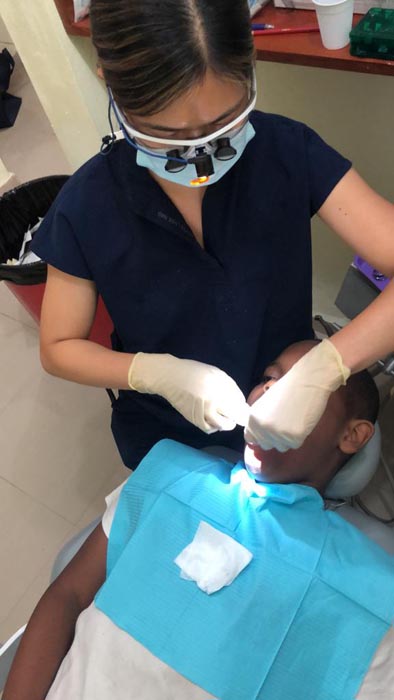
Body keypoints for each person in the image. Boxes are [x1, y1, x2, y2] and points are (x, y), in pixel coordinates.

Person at [31, 0, 394, 469]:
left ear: (250, 69)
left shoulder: (287, 153)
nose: (201, 158)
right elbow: (58, 349)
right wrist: (154, 373)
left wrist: (327, 368)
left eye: (224, 125)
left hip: (284, 408)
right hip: (167, 431)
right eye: (170, 137)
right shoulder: (87, 207)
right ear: (110, 83)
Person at [4, 340, 394, 700]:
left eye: (301, 388)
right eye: (269, 378)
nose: (270, 391)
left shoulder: (373, 588)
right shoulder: (171, 472)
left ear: (353, 435)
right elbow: (67, 595)